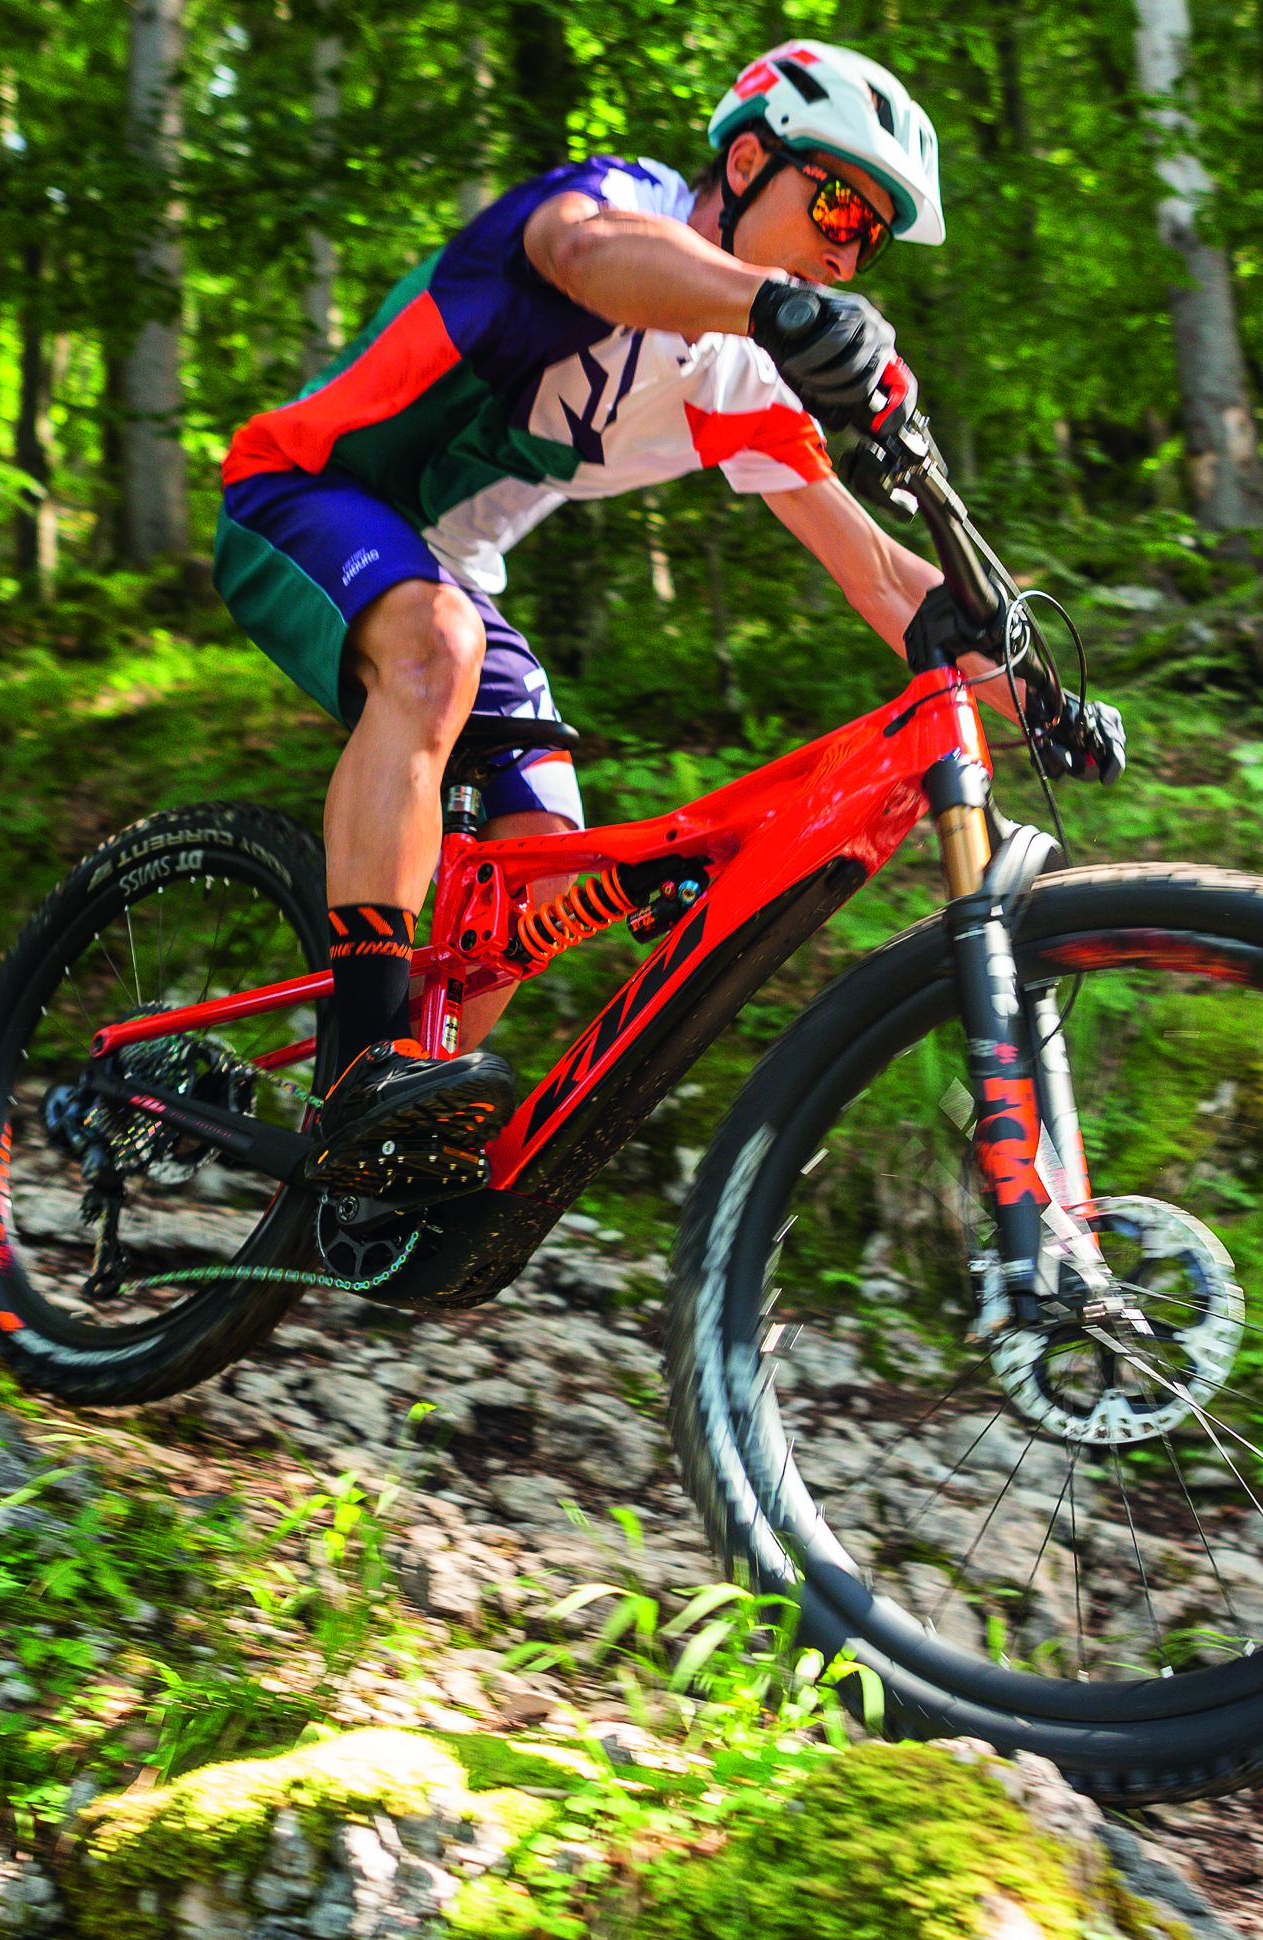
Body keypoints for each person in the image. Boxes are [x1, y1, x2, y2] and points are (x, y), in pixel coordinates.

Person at [211, 39, 1119, 1199]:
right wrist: (778, 307)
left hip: (446, 570)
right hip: (300, 487)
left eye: (872, 235)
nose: (848, 248)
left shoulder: (736, 376)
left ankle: (389, 1155)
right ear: (744, 164)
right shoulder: (623, 209)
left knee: (539, 865)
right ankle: (365, 1064)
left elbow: (881, 576)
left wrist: (1041, 697)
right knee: (437, 648)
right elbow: (585, 257)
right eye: (838, 204)